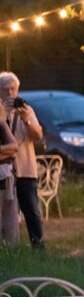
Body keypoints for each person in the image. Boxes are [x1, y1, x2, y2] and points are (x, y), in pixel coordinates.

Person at [0, 72, 44, 248]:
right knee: (8, 211)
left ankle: (38, 245)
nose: (10, 93)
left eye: (13, 89)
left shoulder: (27, 109)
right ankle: (10, 247)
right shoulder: (1, 113)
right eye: (5, 90)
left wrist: (26, 120)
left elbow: (38, 135)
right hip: (5, 171)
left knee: (31, 211)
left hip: (24, 168)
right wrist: (6, 113)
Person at [0, 101, 18, 245]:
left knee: (8, 216)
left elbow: (14, 147)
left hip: (4, 175)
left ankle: (9, 250)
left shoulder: (1, 125)